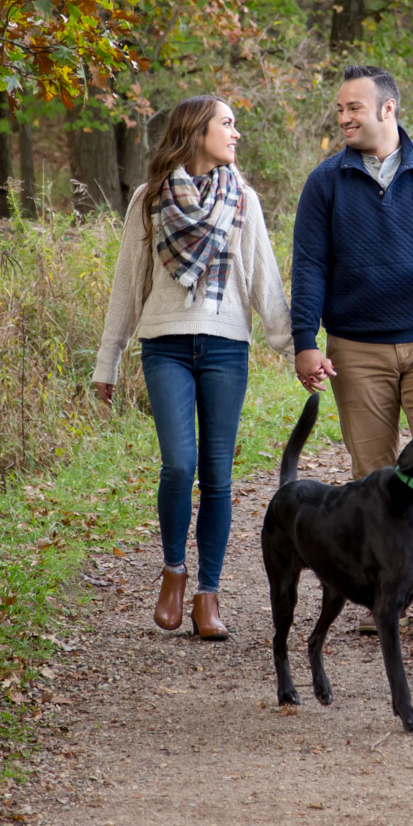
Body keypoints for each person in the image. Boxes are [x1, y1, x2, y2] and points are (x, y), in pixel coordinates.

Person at [93, 95, 292, 641]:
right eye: (227, 124)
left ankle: (209, 594)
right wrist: (107, 360)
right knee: (180, 466)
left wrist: (297, 349)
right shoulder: (149, 198)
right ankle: (173, 575)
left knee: (219, 476)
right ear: (195, 131)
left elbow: (265, 283)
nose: (236, 134)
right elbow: (127, 286)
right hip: (166, 347)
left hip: (227, 348)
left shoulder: (243, 199)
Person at [291, 64, 413, 622]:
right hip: (356, 347)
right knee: (375, 473)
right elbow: (308, 266)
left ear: (387, 109)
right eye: (341, 108)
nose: (343, 117)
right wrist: (307, 341)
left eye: (353, 107)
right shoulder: (325, 182)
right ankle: (386, 580)